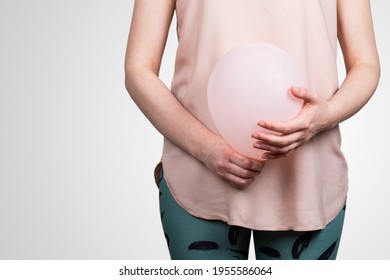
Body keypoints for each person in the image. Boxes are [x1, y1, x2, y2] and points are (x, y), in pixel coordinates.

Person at [124, 0, 380, 260]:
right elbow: (138, 69)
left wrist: (324, 116)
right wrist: (206, 148)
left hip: (306, 182)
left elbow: (365, 65)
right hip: (198, 181)